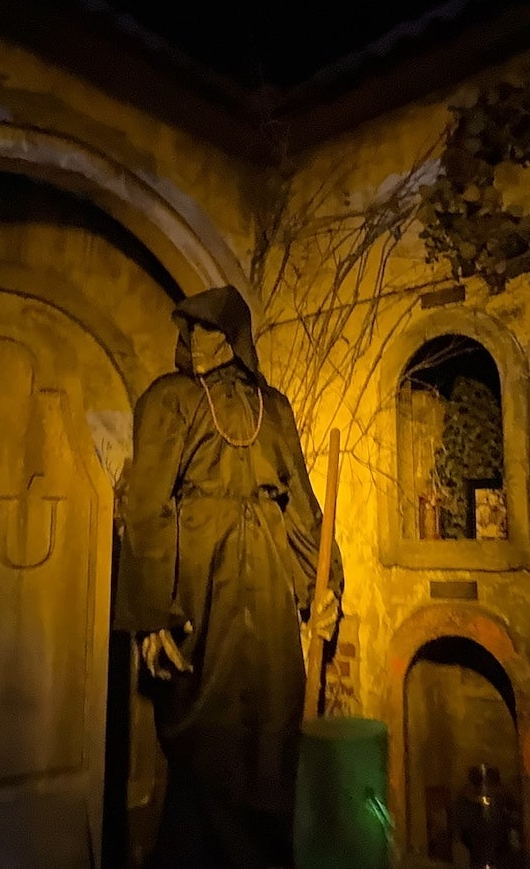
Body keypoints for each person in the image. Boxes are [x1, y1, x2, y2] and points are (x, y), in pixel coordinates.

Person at [115, 286, 341, 869]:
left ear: (236, 339)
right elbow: (148, 506)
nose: (195, 340)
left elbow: (301, 506)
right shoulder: (169, 401)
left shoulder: (274, 408)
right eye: (190, 329)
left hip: (265, 579)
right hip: (199, 578)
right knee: (206, 735)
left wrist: (324, 586)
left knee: (270, 722)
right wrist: (151, 615)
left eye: (210, 329)